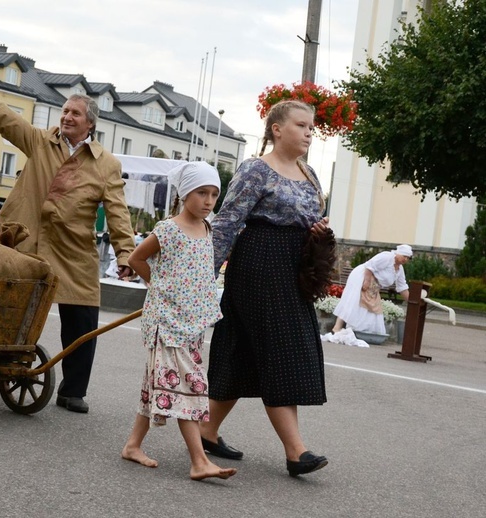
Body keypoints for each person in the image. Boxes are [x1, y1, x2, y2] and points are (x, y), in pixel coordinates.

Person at [0, 70, 135, 414]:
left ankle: (73, 390)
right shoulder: (39, 140)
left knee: (83, 316)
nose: (66, 117)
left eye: (75, 113)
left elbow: (118, 213)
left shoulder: (107, 164)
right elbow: (2, 117)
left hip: (73, 250)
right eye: (65, 111)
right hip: (24, 240)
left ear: (89, 124)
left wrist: (125, 253)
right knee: (0, 306)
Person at [201, 99, 334, 477]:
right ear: (277, 129)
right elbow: (227, 222)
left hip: (292, 269)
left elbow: (310, 218)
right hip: (259, 266)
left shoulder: (309, 174)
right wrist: (201, 274)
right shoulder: (255, 169)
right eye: (301, 125)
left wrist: (317, 232)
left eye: (312, 127)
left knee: (243, 353)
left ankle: (207, 431)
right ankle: (296, 452)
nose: (310, 132)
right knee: (282, 352)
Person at [121, 162, 236, 481]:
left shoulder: (207, 229)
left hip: (192, 324)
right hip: (168, 325)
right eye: (202, 193)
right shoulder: (168, 229)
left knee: (153, 387)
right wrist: (159, 287)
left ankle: (132, 445)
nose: (209, 200)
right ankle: (199, 461)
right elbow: (136, 259)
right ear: (186, 193)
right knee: (192, 386)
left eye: (214, 194)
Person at [332, 246, 412, 335]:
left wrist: (412, 301)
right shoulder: (387, 257)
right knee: (354, 299)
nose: (405, 259)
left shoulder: (400, 269)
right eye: (404, 256)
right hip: (363, 276)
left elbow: (402, 287)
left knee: (372, 305)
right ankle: (337, 327)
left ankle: (363, 330)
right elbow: (370, 266)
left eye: (408, 258)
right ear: (398, 253)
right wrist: (366, 281)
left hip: (375, 284)